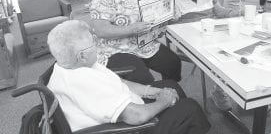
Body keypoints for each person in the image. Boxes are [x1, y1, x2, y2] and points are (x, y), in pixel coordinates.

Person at [47, 20, 211, 134]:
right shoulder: (84, 83)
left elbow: (119, 81)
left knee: (171, 85)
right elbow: (136, 116)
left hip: (126, 109)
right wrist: (164, 101)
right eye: (93, 43)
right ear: (81, 55)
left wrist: (151, 91)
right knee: (191, 108)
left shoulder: (74, 64)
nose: (97, 46)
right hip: (128, 128)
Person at [89, 0, 182, 83]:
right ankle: (152, 98)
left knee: (173, 62)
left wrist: (170, 15)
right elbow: (101, 30)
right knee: (144, 78)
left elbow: (153, 19)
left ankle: (169, 88)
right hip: (115, 50)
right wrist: (131, 29)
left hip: (142, 45)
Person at [170, 0, 238, 111]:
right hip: (191, 43)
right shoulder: (171, 0)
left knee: (239, 49)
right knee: (223, 56)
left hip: (216, 35)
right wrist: (173, 19)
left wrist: (236, 12)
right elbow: (173, 28)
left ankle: (247, 97)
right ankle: (220, 92)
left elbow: (219, 11)